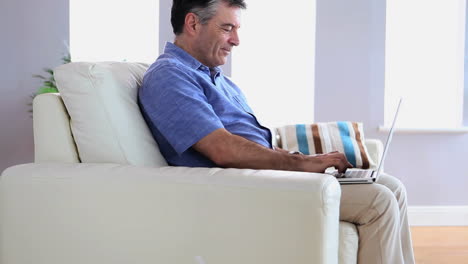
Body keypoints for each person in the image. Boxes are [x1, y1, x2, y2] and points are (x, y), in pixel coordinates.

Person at [138, 0, 415, 263]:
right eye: (227, 28)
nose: (236, 40)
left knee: (393, 187)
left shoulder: (219, 80)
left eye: (236, 29)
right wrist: (300, 163)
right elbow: (222, 149)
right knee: (378, 201)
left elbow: (253, 144)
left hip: (265, 179)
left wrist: (307, 161)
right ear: (193, 23)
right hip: (239, 189)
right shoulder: (169, 75)